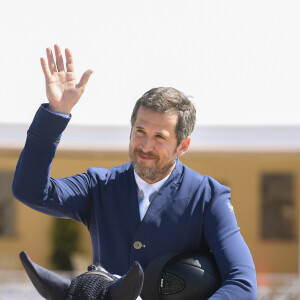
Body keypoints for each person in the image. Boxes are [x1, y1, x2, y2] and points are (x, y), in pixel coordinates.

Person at [12, 45, 257, 299]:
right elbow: (29, 191)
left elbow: (243, 284)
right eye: (140, 131)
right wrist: (56, 114)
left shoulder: (208, 198)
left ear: (183, 145)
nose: (146, 146)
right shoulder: (99, 186)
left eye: (159, 137)